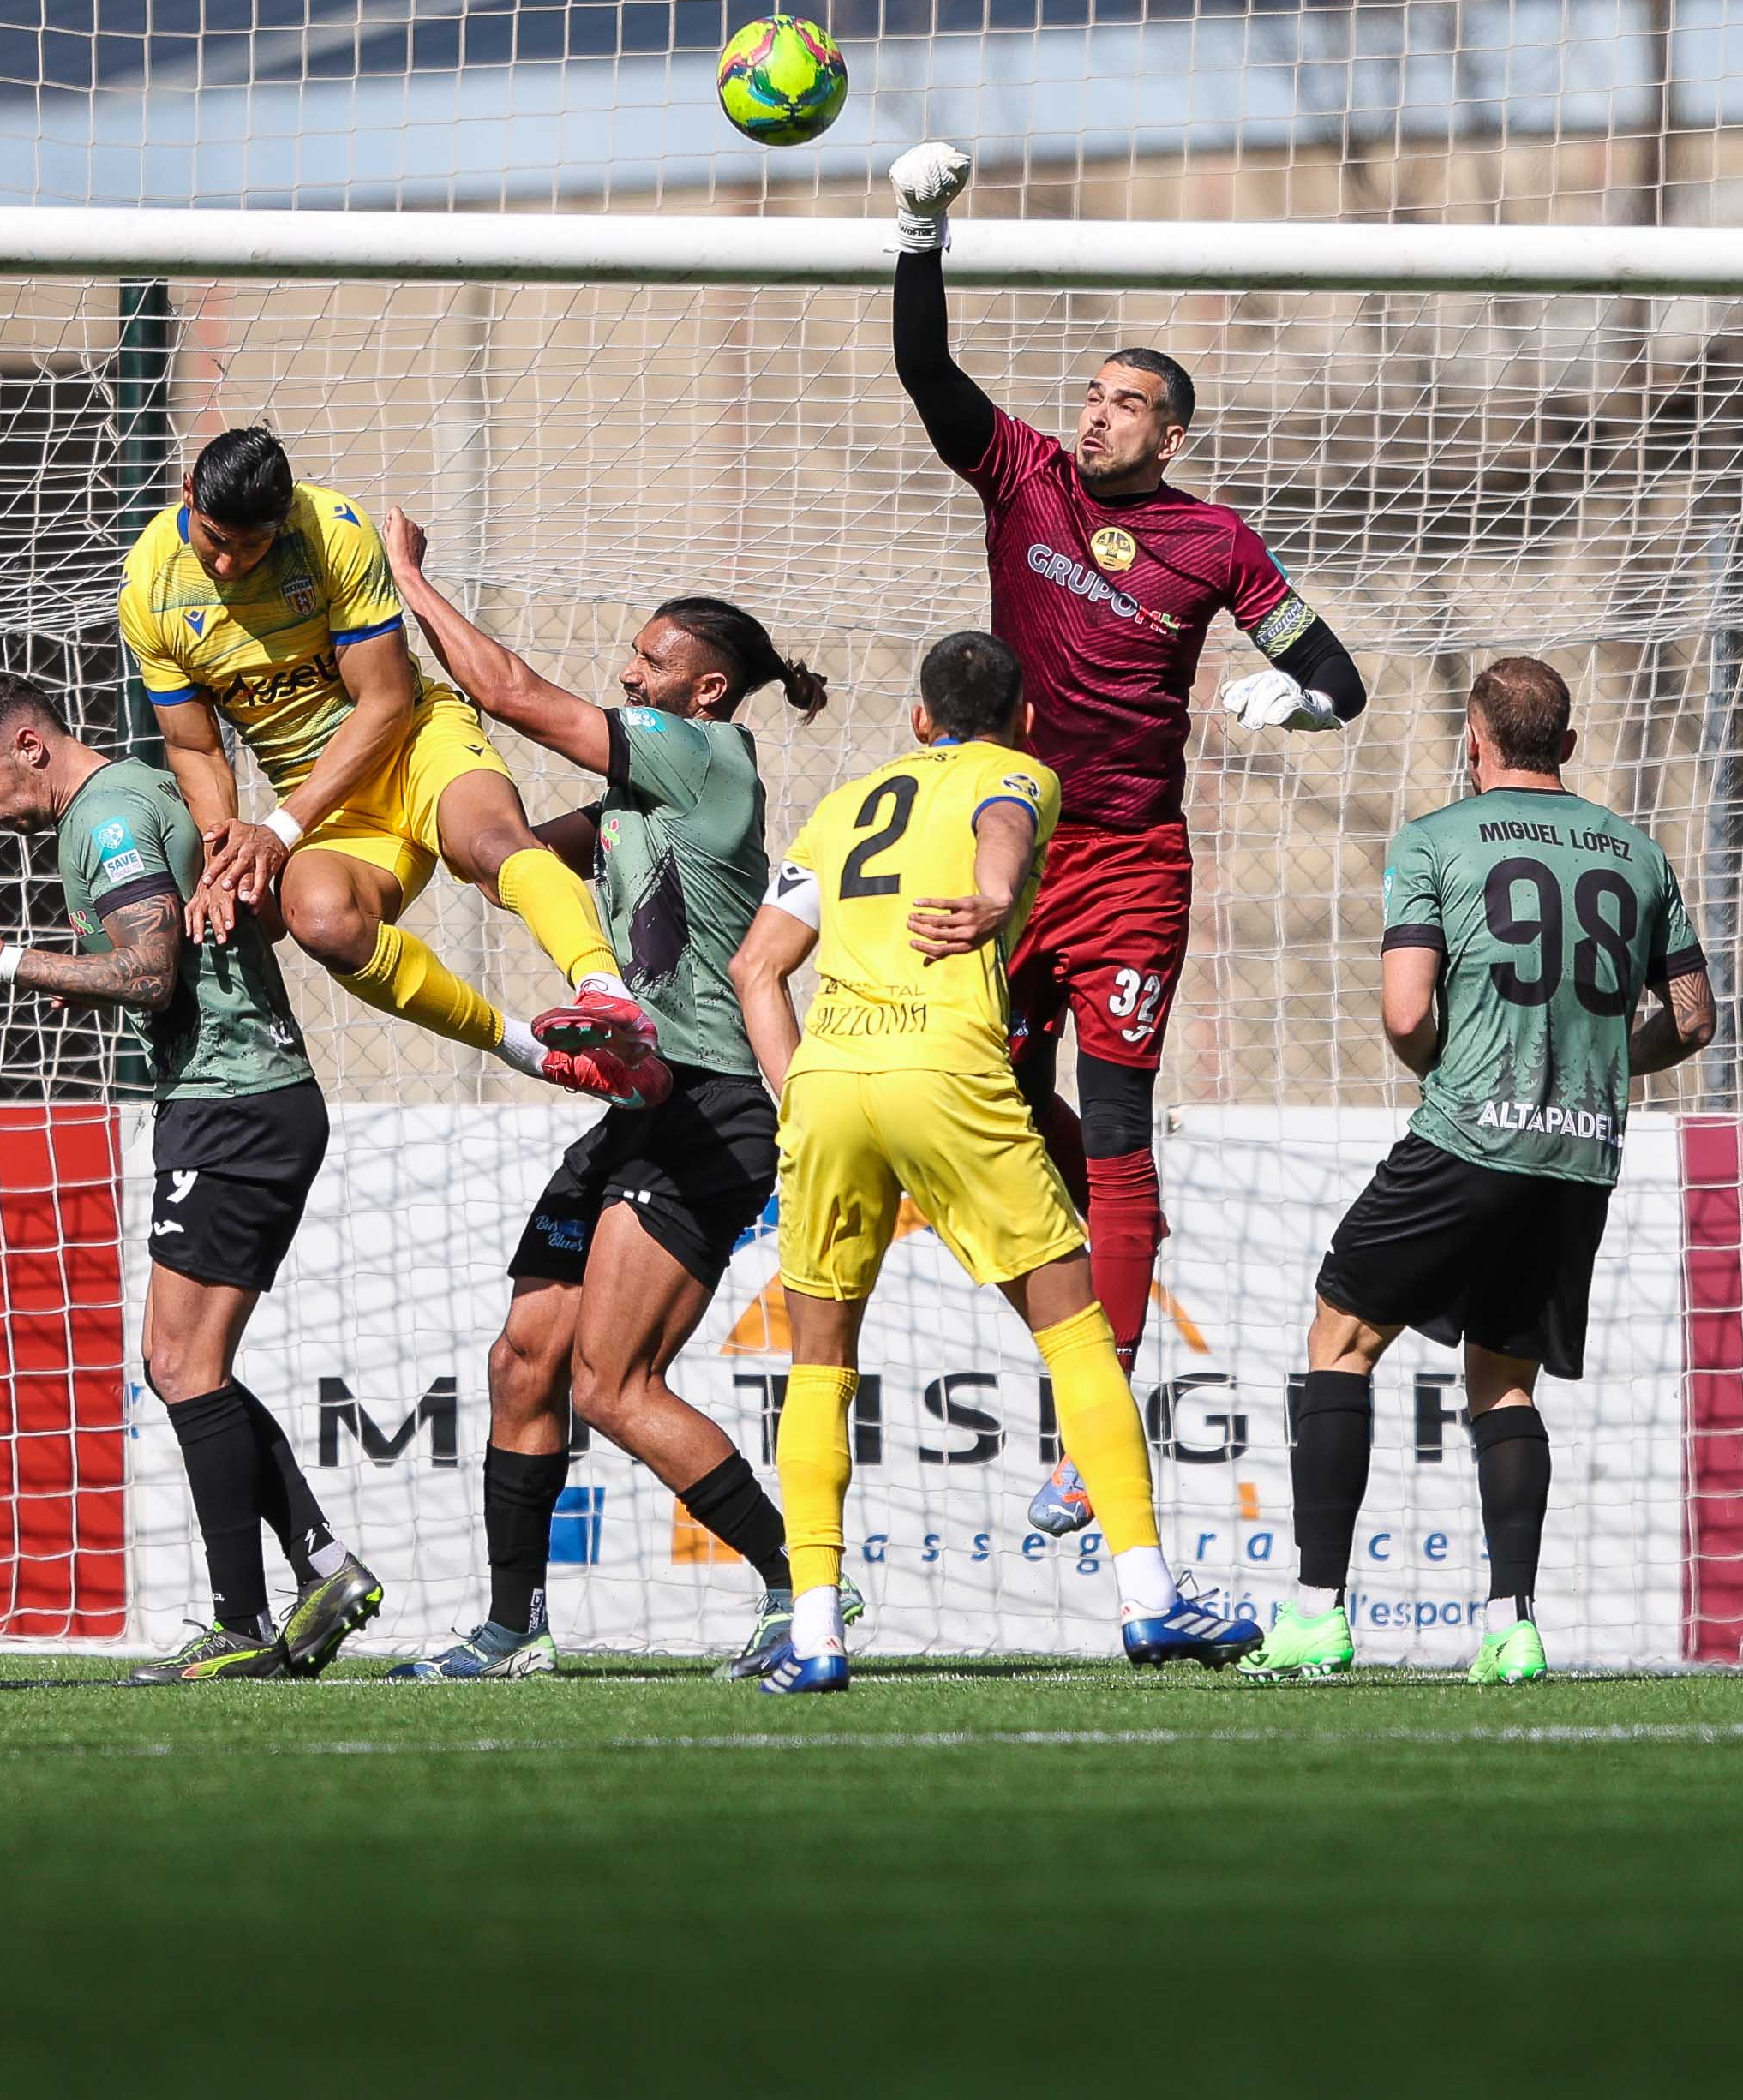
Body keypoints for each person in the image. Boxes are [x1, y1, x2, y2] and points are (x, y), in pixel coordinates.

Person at [885, 141, 1374, 1496]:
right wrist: (920, 235)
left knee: (1116, 1133)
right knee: (977, 1099)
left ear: (1173, 434)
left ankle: (1089, 1425)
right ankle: (1071, 1329)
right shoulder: (1023, 476)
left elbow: (1339, 675)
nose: (1095, 415)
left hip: (1134, 872)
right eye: (1091, 395)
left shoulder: (1215, 541)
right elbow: (930, 377)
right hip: (1009, 852)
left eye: (1127, 403)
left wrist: (1306, 705)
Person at [727, 630, 1261, 1688]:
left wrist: (801, 1095)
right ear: (1025, 718)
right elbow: (1003, 824)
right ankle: (1151, 1598)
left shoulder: (845, 804)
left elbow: (757, 966)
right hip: (946, 1076)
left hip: (831, 1084)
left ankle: (817, 1630)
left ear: (919, 718)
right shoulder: (1021, 770)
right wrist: (993, 896)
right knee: (1076, 1334)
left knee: (820, 1360)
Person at [375, 515, 823, 1677]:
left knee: (612, 1386)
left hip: (715, 1104)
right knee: (525, 1359)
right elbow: (510, 848)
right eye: (632, 659)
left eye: (651, 661)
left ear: (708, 690)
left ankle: (803, 1593)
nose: (630, 675)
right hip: (641, 1108)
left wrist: (410, 583)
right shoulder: (640, 800)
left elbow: (523, 692)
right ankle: (513, 1630)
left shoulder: (707, 759)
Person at [1233, 659, 1709, 1685]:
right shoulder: (1638, 852)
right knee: (1503, 1379)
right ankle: (1512, 1624)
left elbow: (1407, 1013)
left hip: (1468, 1134)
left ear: (1473, 740)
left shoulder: (1437, 839)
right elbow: (1695, 1015)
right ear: (1568, 747)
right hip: (1580, 1150)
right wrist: (1596, 1059)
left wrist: (1452, 1070)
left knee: (1342, 1337)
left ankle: (1316, 1612)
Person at [0, 668, 380, 1682]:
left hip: (232, 1103)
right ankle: (323, 1565)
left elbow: (150, 970)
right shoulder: (136, 793)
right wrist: (78, 979)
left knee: (178, 1364)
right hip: (249, 1099)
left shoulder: (111, 815)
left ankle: (243, 1620)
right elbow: (164, 958)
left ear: (30, 744)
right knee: (191, 1363)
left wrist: (7, 960)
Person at [120, 424, 664, 1104]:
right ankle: (530, 1050)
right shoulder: (148, 585)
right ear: (188, 494)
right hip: (327, 804)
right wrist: (222, 854)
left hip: (413, 744)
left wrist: (281, 830)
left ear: (283, 521)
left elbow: (384, 702)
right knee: (318, 923)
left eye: (250, 545)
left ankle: (606, 995)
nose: (229, 563)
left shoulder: (333, 534)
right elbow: (195, 747)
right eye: (215, 540)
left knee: (493, 849)